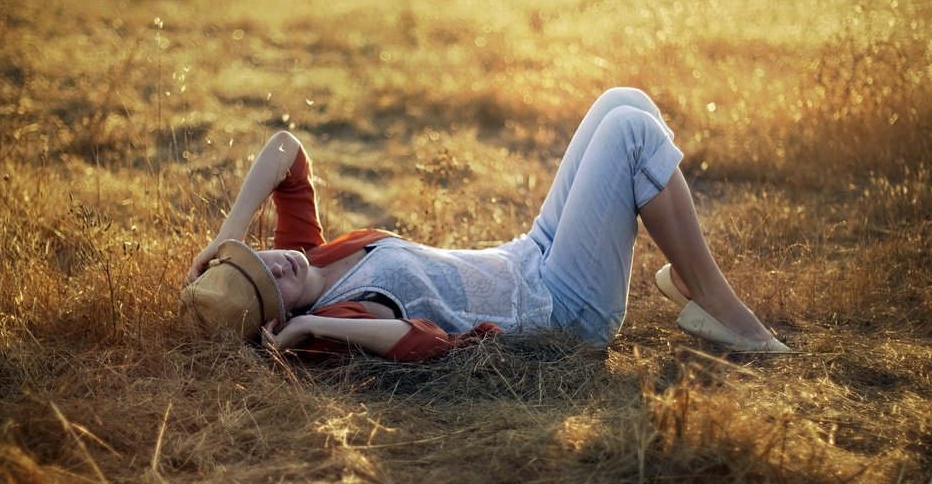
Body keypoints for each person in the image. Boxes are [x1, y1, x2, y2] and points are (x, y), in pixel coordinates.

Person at [180, 88, 790, 361]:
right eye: (270, 283)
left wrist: (228, 236)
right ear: (275, 319)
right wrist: (306, 324)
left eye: (258, 256)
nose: (278, 264)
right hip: (562, 309)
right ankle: (716, 303)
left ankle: (688, 276)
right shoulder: (337, 317)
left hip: (530, 255)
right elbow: (421, 343)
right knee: (631, 135)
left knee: (621, 101)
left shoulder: (305, 254)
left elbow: (286, 148)